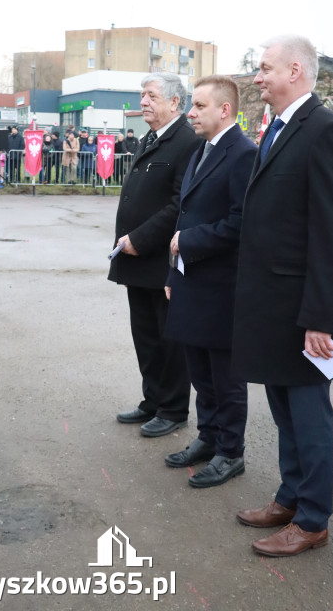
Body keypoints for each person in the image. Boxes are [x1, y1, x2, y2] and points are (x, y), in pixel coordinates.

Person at [231, 35, 333, 558]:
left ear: (296, 70)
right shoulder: (279, 128)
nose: (257, 77)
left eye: (264, 68)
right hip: (273, 304)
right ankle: (290, 496)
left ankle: (312, 520)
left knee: (308, 414)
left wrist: (320, 319)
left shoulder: (325, 130)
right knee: (284, 409)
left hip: (306, 310)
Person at [163, 76, 257, 488]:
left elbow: (242, 223)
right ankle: (209, 436)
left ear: (225, 110)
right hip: (191, 279)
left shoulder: (243, 154)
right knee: (200, 370)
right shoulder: (203, 149)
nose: (191, 113)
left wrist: (189, 243)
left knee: (225, 377)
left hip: (223, 286)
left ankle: (230, 452)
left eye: (199, 106)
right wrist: (173, 270)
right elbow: (186, 215)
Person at [108, 73, 200, 438]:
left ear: (175, 102)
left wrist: (140, 239)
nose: (143, 101)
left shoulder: (186, 142)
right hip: (135, 257)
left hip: (160, 258)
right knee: (145, 335)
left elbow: (181, 204)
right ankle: (153, 400)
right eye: (142, 95)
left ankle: (173, 408)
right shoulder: (150, 136)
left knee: (168, 337)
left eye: (151, 95)